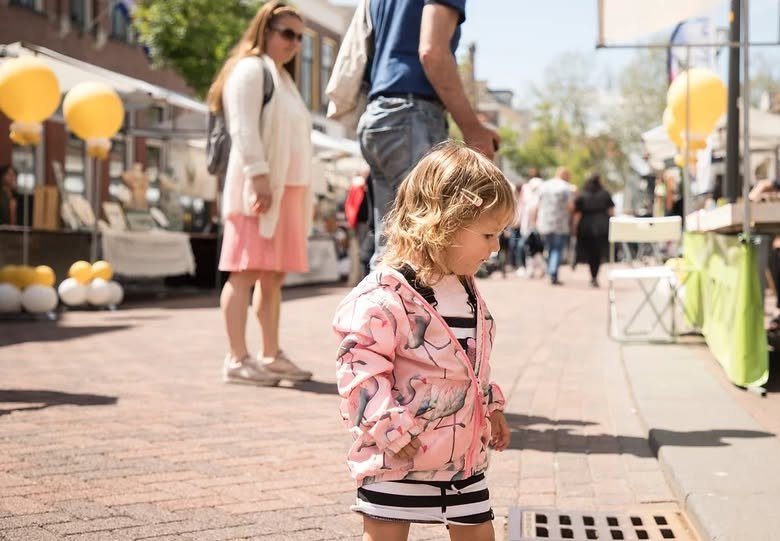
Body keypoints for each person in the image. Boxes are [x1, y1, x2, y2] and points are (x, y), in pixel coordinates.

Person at [333, 142, 512, 541]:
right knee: (385, 535)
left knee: (479, 530)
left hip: (461, 457)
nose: (496, 247)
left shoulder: (465, 291)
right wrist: (387, 427)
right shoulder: (386, 296)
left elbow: (471, 361)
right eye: (488, 234)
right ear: (443, 223)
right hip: (400, 455)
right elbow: (358, 368)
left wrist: (491, 406)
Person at [207, 1, 313, 386]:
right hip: (262, 188)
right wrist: (258, 176)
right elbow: (244, 128)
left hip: (287, 190)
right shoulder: (251, 70)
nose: (294, 43)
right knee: (244, 271)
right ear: (265, 30)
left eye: (299, 37)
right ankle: (237, 358)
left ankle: (270, 354)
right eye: (287, 33)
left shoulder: (282, 79)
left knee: (273, 277)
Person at [359, 0, 500, 268]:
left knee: (392, 247)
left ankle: (379, 309)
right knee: (425, 245)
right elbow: (432, 52)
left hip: (379, 113)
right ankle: (416, 310)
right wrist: (472, 128)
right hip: (413, 115)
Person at [572, 174, 615, 288]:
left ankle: (592, 275)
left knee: (590, 252)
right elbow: (611, 212)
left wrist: (574, 228)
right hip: (602, 226)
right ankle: (594, 276)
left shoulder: (582, 195)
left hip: (586, 226)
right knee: (597, 253)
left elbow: (577, 214)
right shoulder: (605, 194)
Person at [534, 166, 574, 285]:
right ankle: (553, 273)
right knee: (557, 249)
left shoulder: (544, 185)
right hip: (560, 224)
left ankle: (550, 270)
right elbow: (570, 206)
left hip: (545, 222)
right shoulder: (566, 187)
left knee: (549, 248)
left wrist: (535, 220)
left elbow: (537, 204)